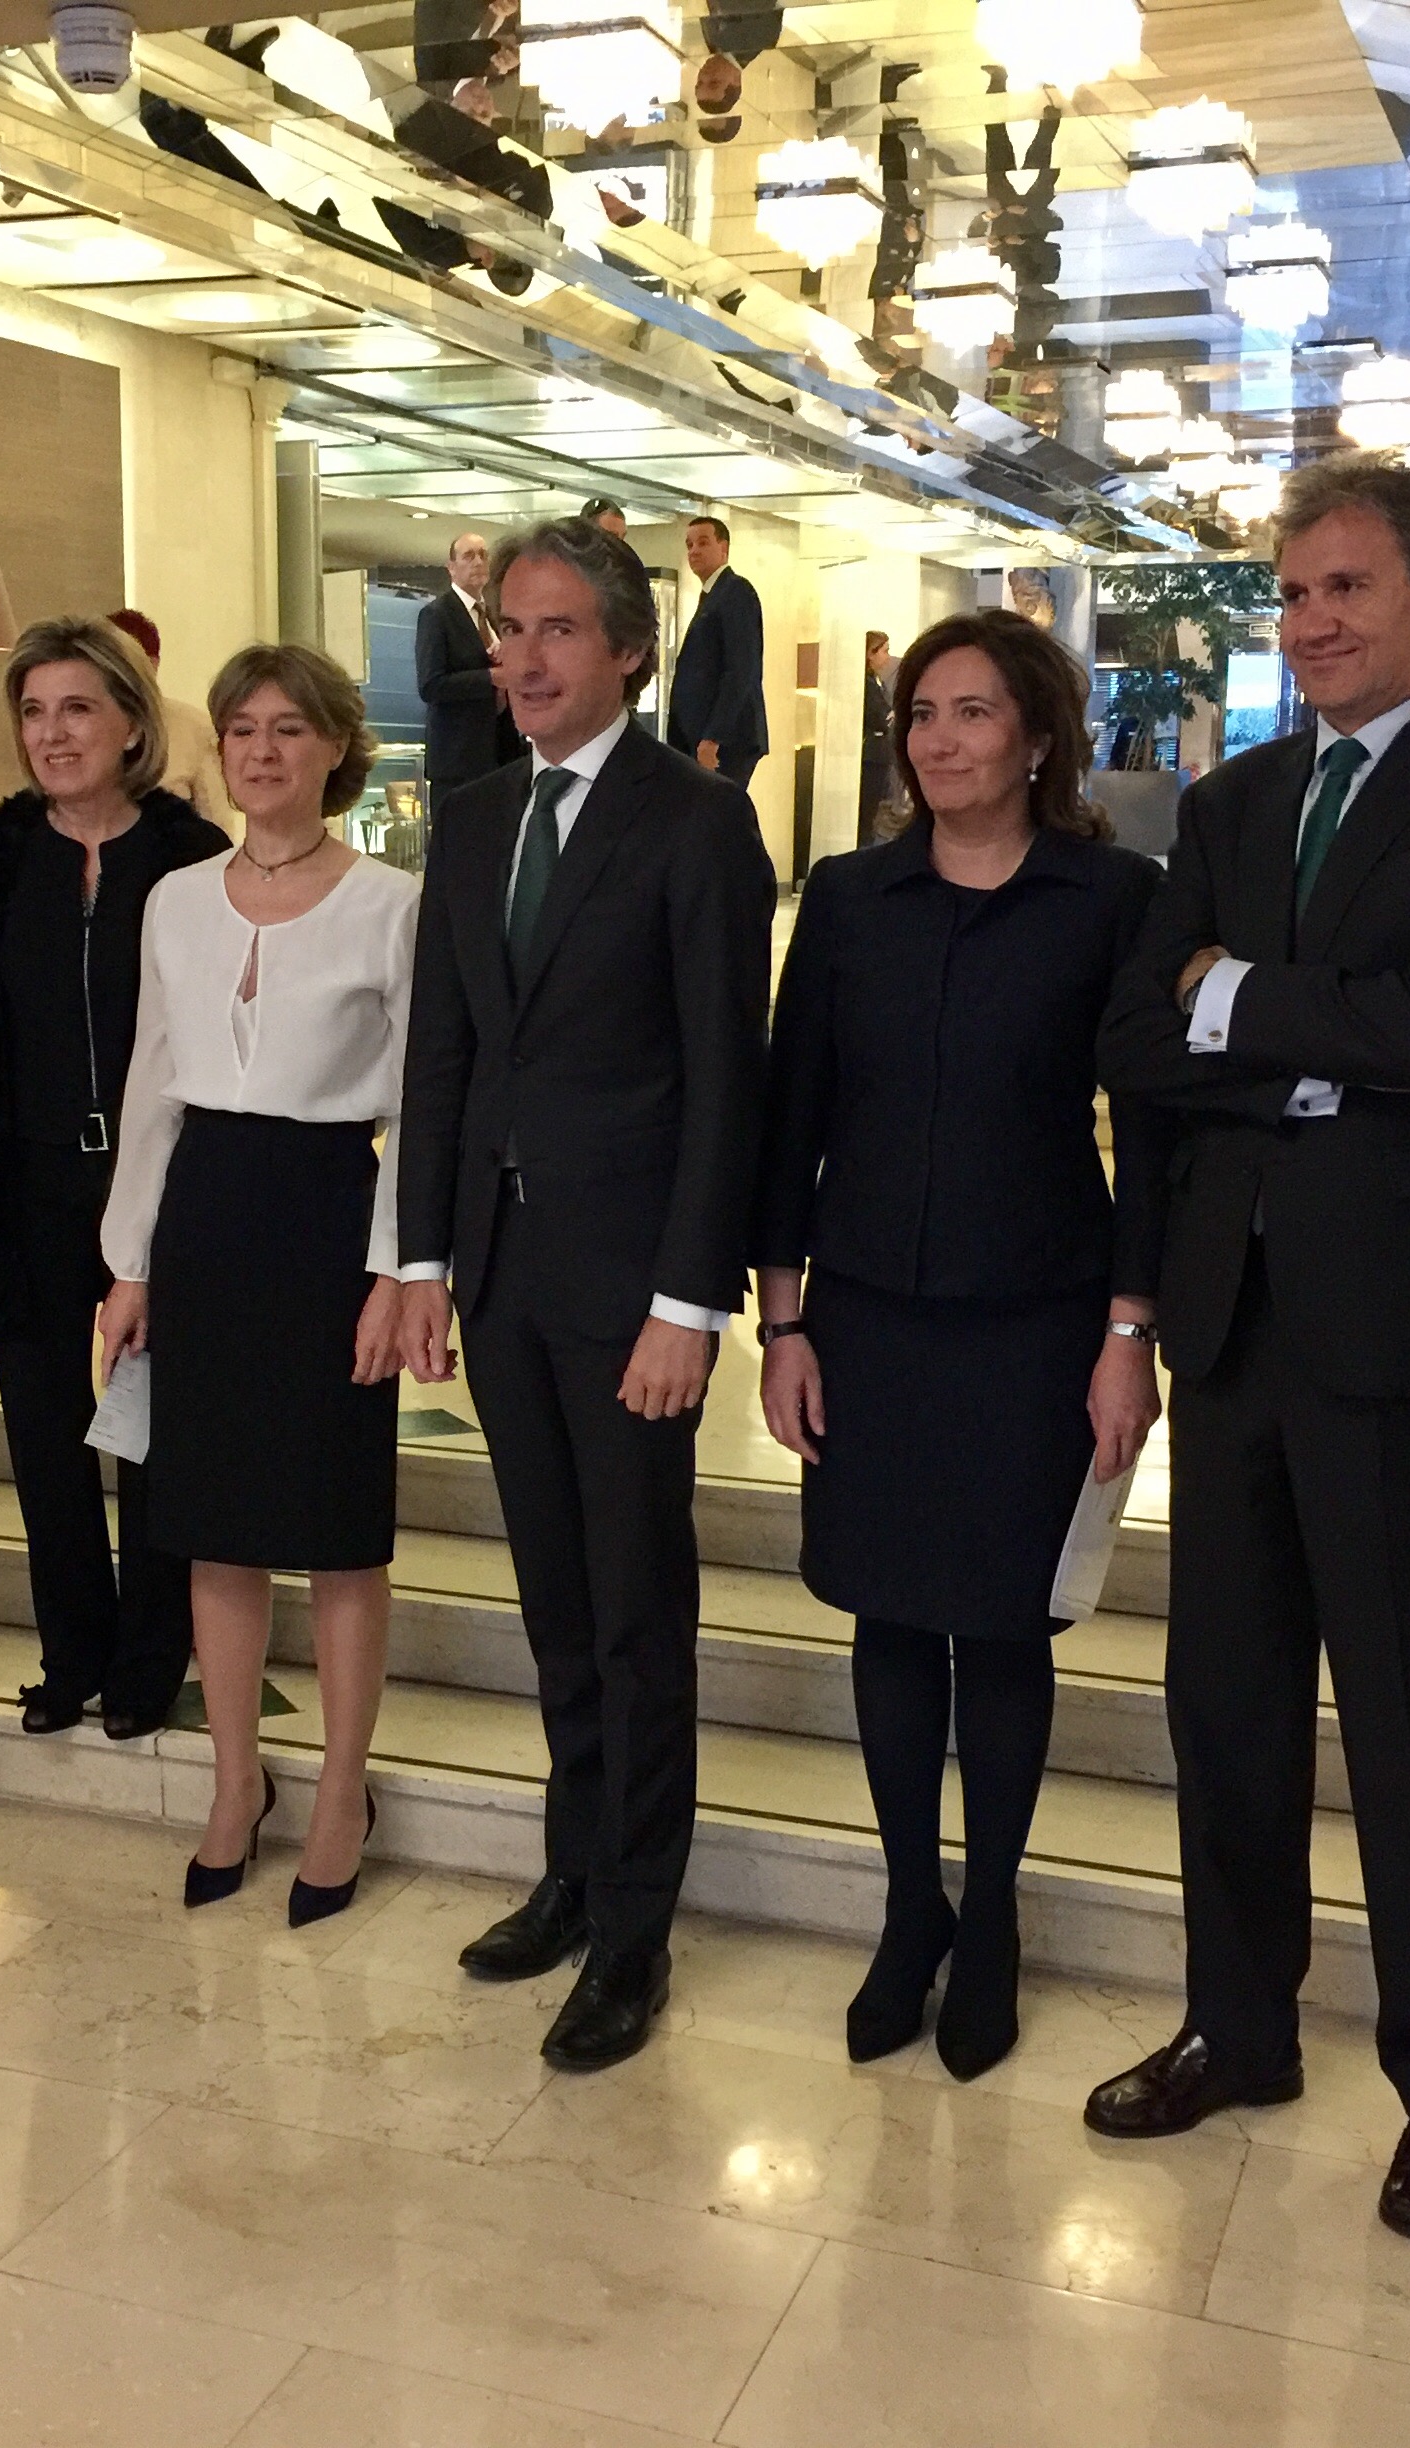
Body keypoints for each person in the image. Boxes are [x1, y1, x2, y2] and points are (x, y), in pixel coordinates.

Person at [1092, 453, 1410, 2243]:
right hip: (1233, 1320)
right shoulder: (1233, 799)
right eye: (1291, 593)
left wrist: (1235, 1000)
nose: (1307, 623)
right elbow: (1134, 1045)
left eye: (1345, 589)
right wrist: (1298, 1047)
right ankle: (1236, 2025)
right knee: (1222, 1706)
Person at [754, 609, 1163, 2081]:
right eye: (923, 714)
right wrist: (782, 1320)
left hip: (1036, 1315)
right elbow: (790, 1115)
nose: (940, 739)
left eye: (975, 712)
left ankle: (990, 1918)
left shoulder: (1111, 898)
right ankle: (908, 1908)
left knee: (1000, 1627)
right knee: (883, 1617)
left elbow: (1153, 1137)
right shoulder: (850, 897)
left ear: (1038, 738)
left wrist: (1130, 1332)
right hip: (866, 1314)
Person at [395, 516, 778, 2072]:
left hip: (632, 1292)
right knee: (555, 1601)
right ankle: (573, 1865)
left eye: (558, 629)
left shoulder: (697, 822)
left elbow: (727, 1080)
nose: (525, 656)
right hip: (499, 1272)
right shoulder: (475, 815)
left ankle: (635, 1925)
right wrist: (421, 1260)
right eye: (511, 628)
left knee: (634, 1611)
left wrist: (692, 1301)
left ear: (627, 649)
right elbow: (441, 1052)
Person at [98, 643, 418, 1923]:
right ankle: (237, 1780)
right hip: (205, 1218)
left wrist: (398, 1270)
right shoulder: (175, 899)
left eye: (290, 728)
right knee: (213, 1522)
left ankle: (342, 1788)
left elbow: (422, 1107)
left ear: (337, 748)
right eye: (242, 729)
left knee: (335, 1527)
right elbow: (150, 1082)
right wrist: (128, 1262)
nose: (263, 751)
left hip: (327, 1212)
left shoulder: (393, 903)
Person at [0, 618, 228, 1743]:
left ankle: (150, 1658)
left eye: (77, 709)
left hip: (161, 1184)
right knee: (45, 1436)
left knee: (152, 1432)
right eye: (34, 712)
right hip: (26, 1189)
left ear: (131, 724)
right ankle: (71, 1653)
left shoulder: (193, 854)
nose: (53, 734)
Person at [414, 531, 521, 800]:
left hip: (501, 753)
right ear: (451, 567)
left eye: (483, 555)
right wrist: (490, 677)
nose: (478, 562)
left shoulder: (495, 613)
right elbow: (431, 685)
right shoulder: (437, 615)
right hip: (458, 760)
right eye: (469, 556)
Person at [110, 608, 237, 834]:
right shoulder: (76, 727)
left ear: (153, 664)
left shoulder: (193, 728)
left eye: (125, 662)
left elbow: (216, 821)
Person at [667, 513, 768, 787]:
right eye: (689, 545)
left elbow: (740, 669)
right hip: (699, 737)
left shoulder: (736, 592)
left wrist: (714, 737)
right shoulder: (712, 596)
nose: (694, 551)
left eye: (703, 543)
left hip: (725, 742)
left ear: (723, 548)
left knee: (717, 809)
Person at [857, 629, 896, 840]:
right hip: (872, 757)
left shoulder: (876, 682)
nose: (887, 657)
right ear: (870, 654)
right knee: (869, 814)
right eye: (884, 651)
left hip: (879, 755)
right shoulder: (867, 685)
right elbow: (881, 717)